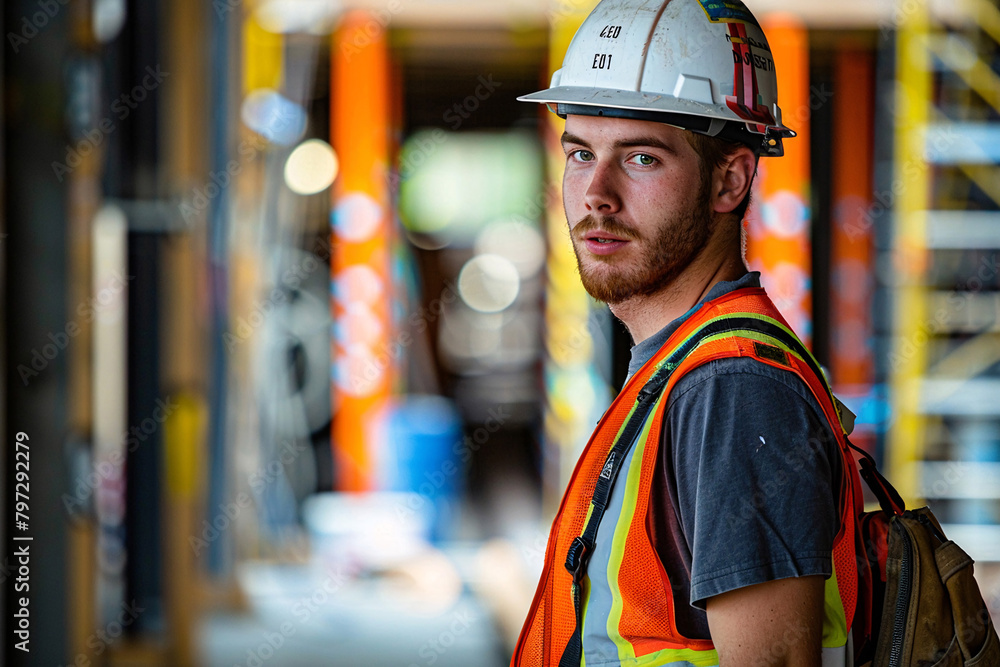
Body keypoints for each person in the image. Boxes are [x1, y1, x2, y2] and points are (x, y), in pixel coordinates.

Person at [511, 1, 866, 665]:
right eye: (581, 153)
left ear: (730, 179)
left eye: (641, 158)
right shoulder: (676, 369)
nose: (596, 194)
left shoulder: (732, 389)